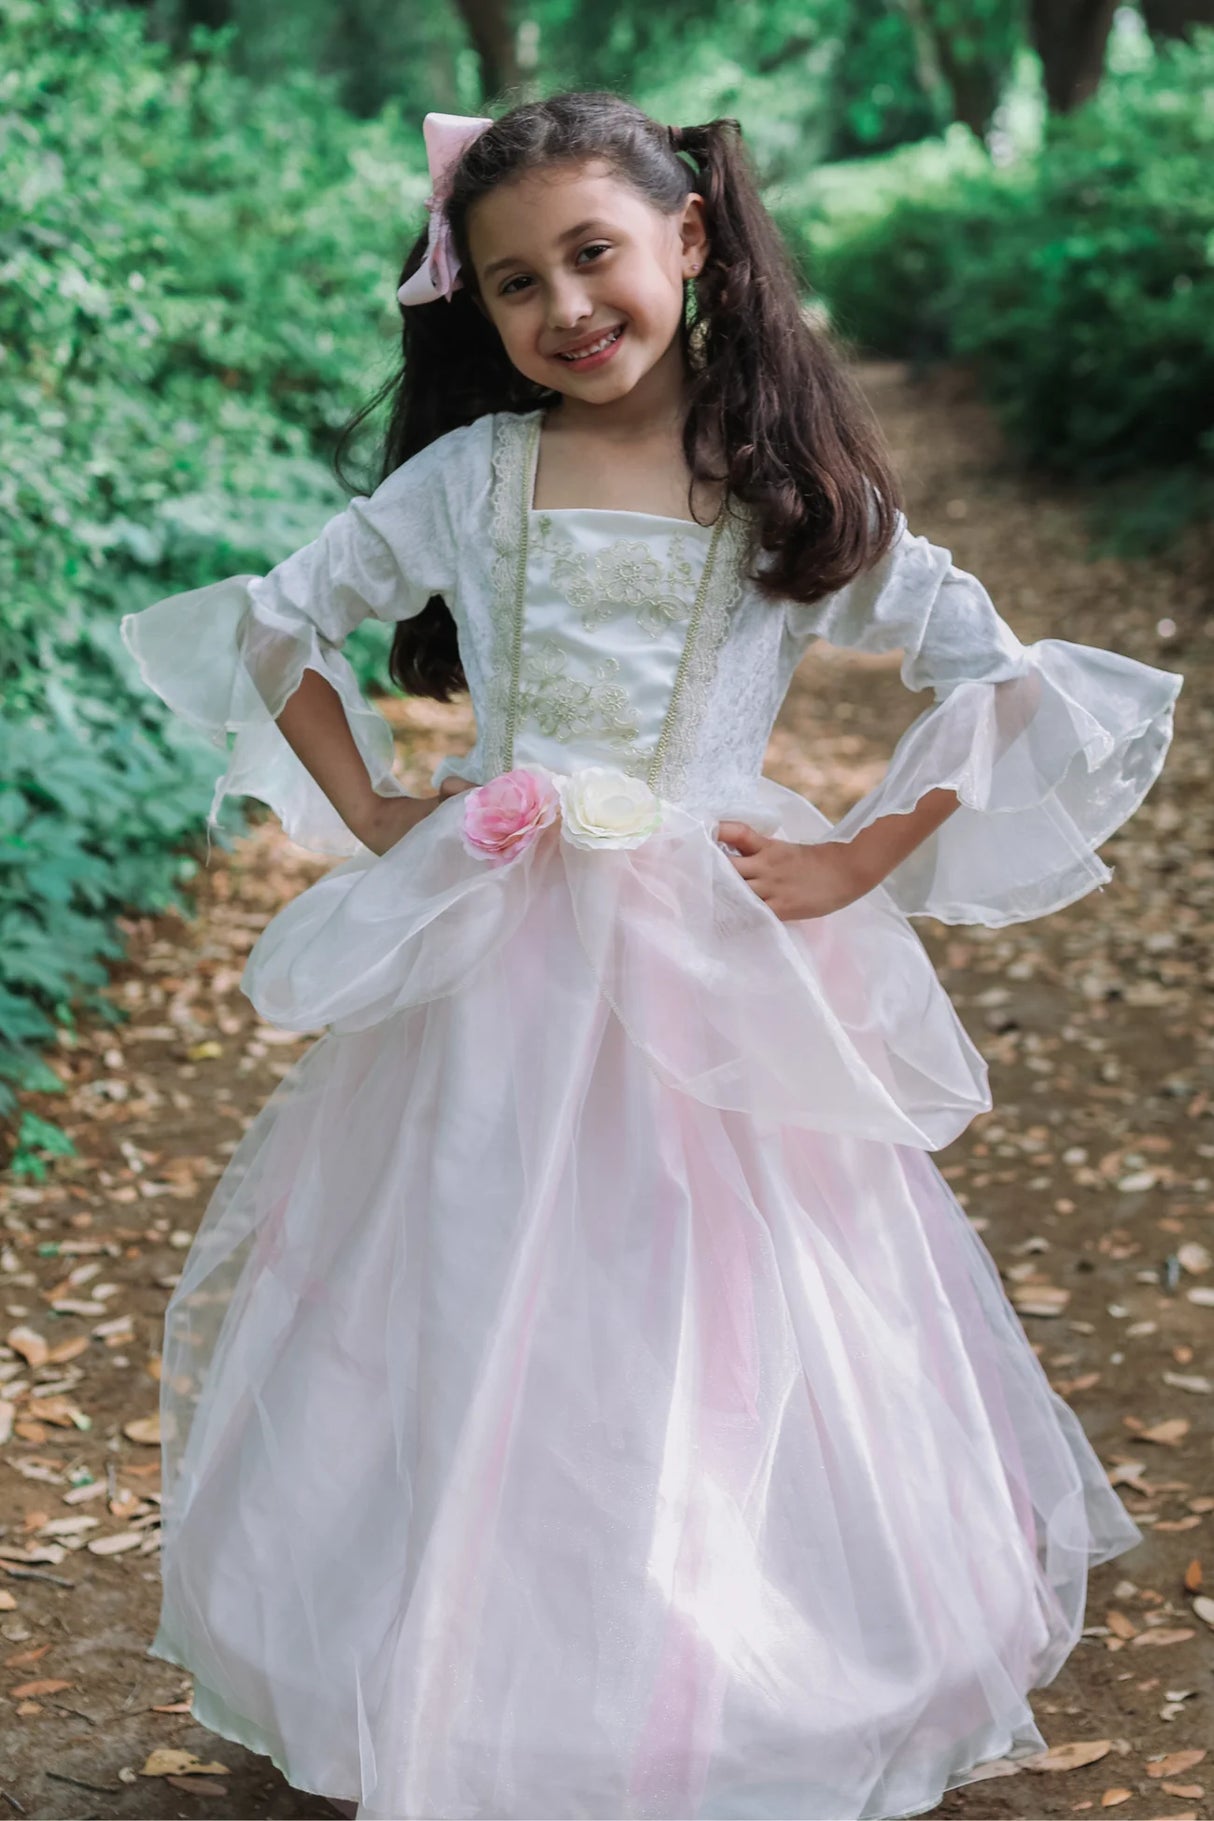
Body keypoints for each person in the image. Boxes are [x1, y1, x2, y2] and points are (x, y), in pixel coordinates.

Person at [119, 91, 1182, 1821]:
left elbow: (990, 673)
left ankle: (708, 1655)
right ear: (475, 305)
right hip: (492, 946)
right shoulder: (471, 476)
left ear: (689, 239)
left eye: (593, 254)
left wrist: (854, 855)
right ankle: (449, 1652)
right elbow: (276, 621)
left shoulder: (775, 488)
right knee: (466, 1262)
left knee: (708, 1282)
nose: (562, 308)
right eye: (512, 282)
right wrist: (380, 806)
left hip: (707, 959)